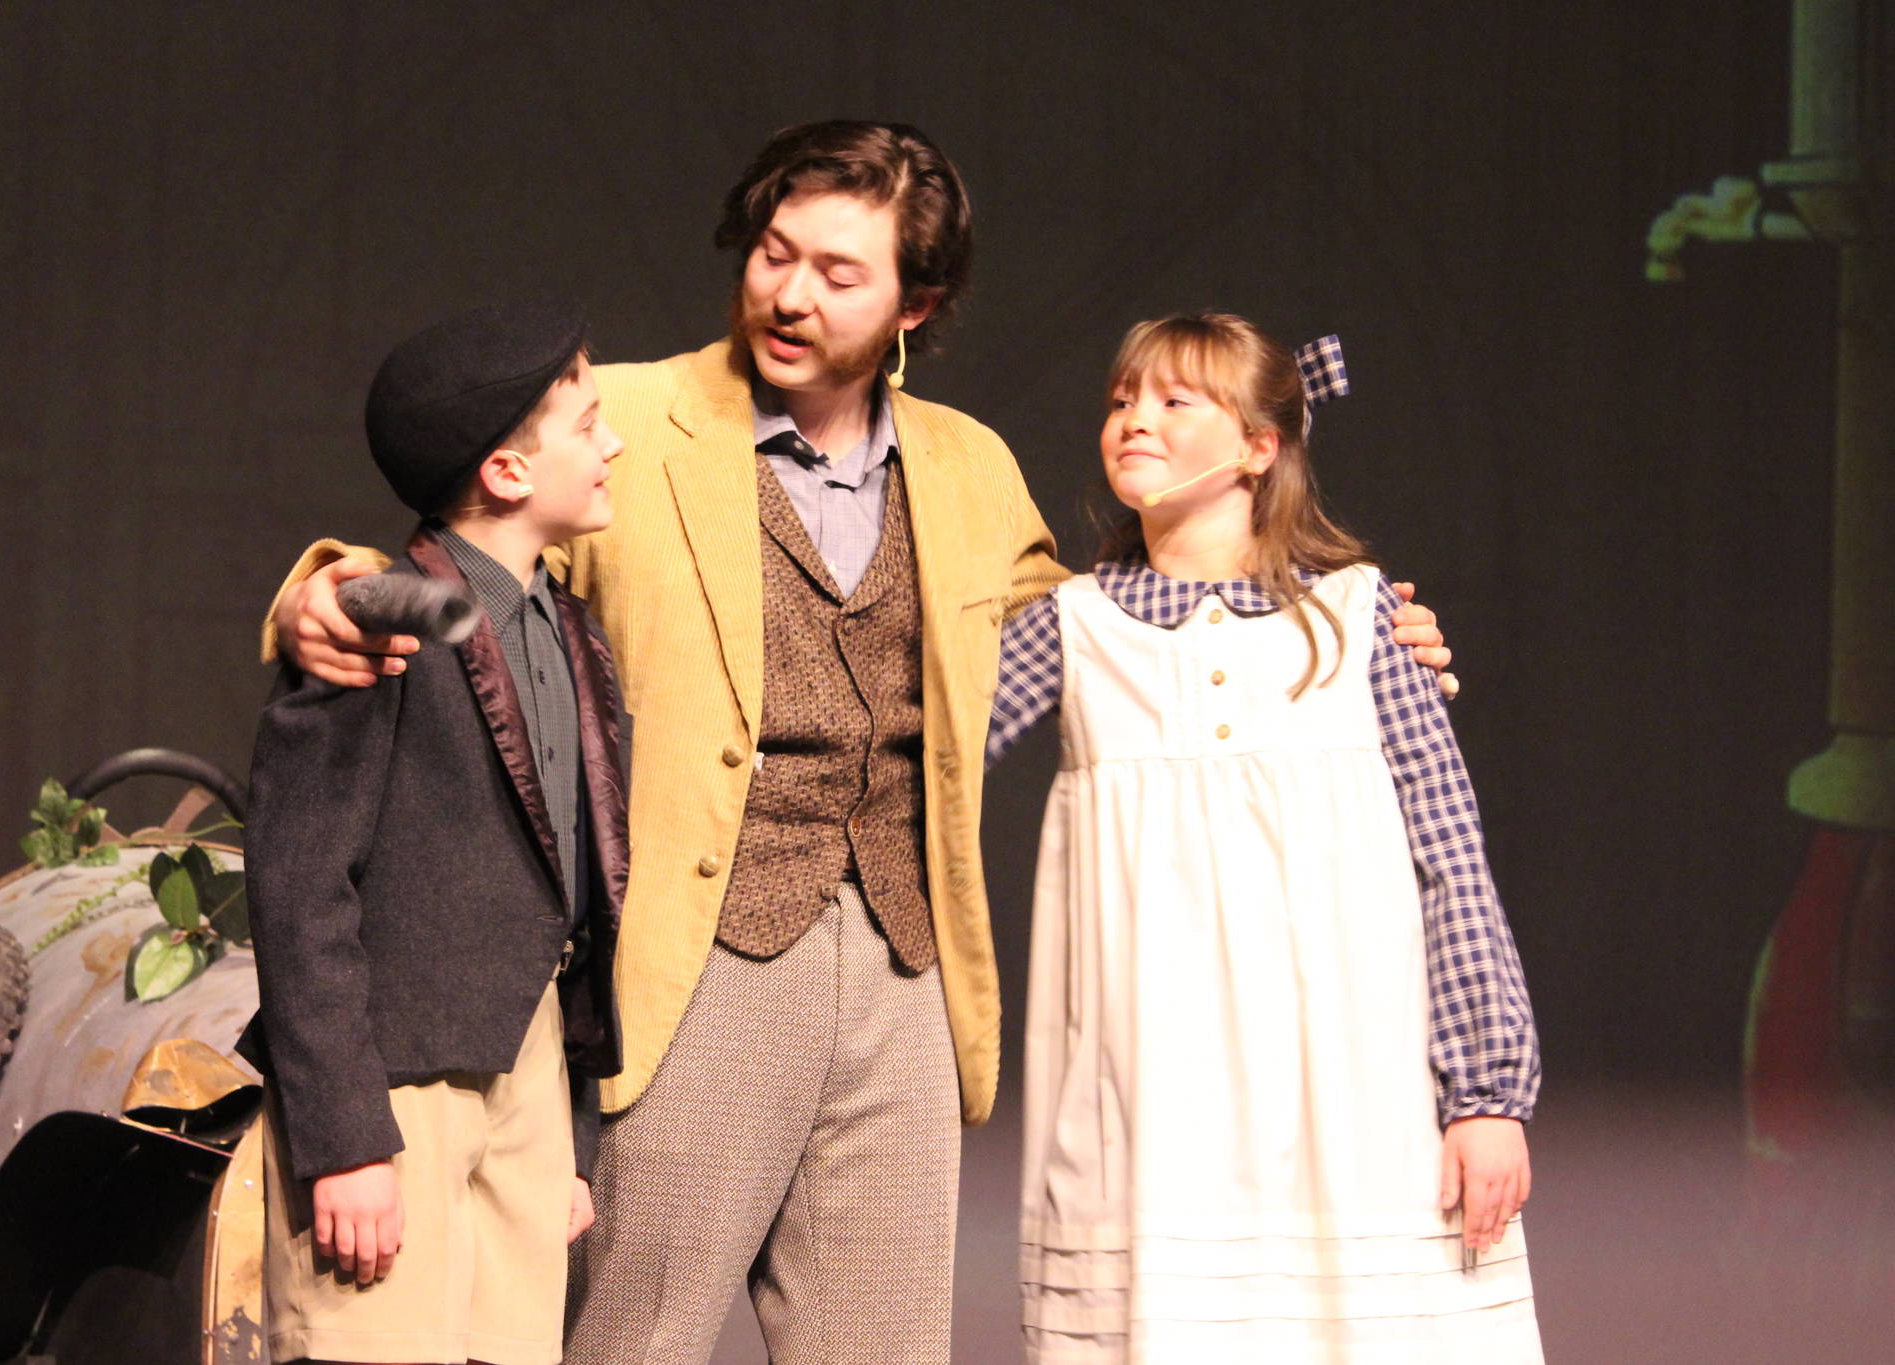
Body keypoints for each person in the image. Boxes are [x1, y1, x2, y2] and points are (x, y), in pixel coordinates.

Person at [262, 123, 1453, 1364]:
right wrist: (316, 590)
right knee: (634, 1338)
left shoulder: (966, 468)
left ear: (912, 306)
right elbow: (458, 544)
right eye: (776, 253)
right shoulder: (628, 417)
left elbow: (1114, 632)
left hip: (902, 973)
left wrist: (1343, 629)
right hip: (698, 961)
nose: (787, 293)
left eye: (838, 274)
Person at [989, 313, 1540, 1362]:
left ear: (1258, 445)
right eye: (1119, 400)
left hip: (1353, 1103)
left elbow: (1446, 856)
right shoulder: (1075, 626)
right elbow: (930, 750)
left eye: (1171, 400)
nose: (1132, 420)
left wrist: (1484, 1094)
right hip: (1150, 1105)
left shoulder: (1354, 619)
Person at [237, 297, 628, 1365]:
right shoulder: (380, 622)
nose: (614, 443)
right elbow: (300, 887)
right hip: (396, 1086)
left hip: (527, 1073)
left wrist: (573, 1140)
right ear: (506, 472)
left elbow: (579, 892)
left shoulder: (570, 629)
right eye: (587, 425)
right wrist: (345, 1139)